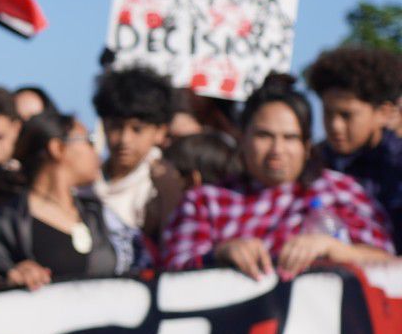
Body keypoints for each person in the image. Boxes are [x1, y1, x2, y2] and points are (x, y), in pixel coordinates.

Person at [160, 75, 394, 276]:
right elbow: (170, 272)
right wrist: (219, 255)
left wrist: (338, 251)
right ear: (242, 138)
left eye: (290, 138)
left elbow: (390, 266)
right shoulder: (204, 202)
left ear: (307, 145)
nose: (277, 150)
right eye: (264, 136)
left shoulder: (342, 192)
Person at [0, 111, 140, 289]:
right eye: (89, 141)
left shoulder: (100, 215)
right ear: (57, 148)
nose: (97, 151)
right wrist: (8, 280)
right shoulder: (3, 227)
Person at [304, 44, 402, 235]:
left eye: (346, 115)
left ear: (383, 112)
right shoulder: (313, 164)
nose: (335, 125)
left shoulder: (397, 167)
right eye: (328, 113)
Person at [91, 65, 174, 235]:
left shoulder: (162, 185)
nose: (124, 140)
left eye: (137, 129)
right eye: (115, 127)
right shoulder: (85, 180)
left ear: (160, 132)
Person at [149, 132, 242, 236]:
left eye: (163, 183)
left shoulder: (195, 240)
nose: (152, 197)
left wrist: (167, 204)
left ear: (191, 181)